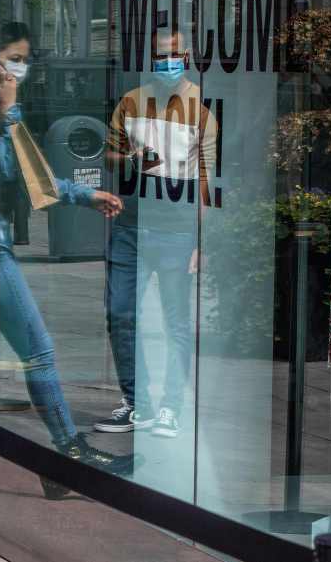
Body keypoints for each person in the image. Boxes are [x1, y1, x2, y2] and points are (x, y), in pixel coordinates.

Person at [0, 19, 132, 473]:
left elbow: (31, 172)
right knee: (37, 349)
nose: (22, 68)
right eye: (14, 58)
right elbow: (7, 168)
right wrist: (10, 110)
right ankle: (68, 452)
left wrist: (84, 195)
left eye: (25, 59)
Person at [93, 28, 216, 438]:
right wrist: (130, 156)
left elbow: (205, 180)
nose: (167, 63)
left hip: (177, 232)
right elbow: (108, 154)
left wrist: (203, 242)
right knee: (120, 313)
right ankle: (136, 402)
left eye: (174, 55)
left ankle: (170, 407)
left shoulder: (200, 109)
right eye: (161, 55)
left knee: (176, 322)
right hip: (130, 228)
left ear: (188, 55)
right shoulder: (132, 101)